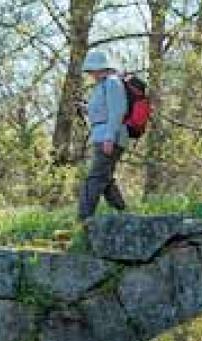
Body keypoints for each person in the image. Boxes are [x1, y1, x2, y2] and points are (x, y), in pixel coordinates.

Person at [77, 50, 131, 222]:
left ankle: (84, 219)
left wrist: (109, 137)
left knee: (95, 178)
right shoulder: (102, 86)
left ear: (100, 68)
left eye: (91, 70)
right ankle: (124, 214)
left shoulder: (112, 83)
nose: (90, 74)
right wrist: (86, 108)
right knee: (105, 178)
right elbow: (102, 112)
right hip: (102, 136)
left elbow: (117, 111)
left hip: (110, 137)